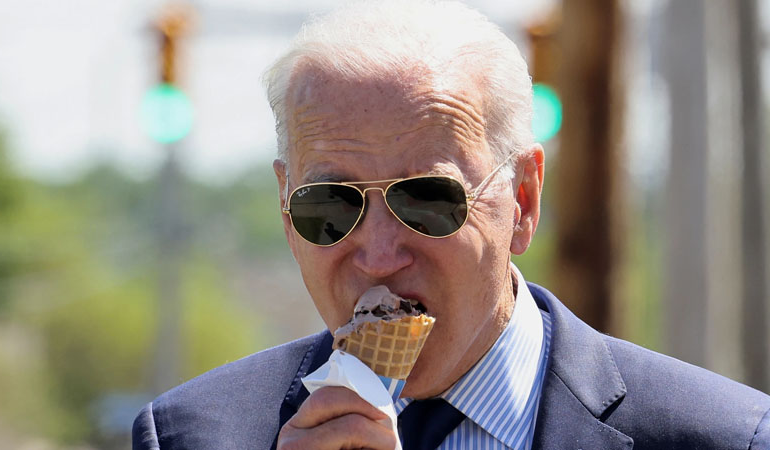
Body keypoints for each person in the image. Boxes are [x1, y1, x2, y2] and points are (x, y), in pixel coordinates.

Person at [132, 1, 770, 449]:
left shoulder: (722, 437)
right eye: (330, 205)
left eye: (428, 200)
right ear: (284, 206)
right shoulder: (193, 435)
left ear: (521, 200)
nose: (379, 255)